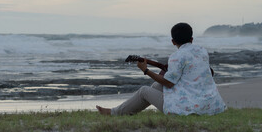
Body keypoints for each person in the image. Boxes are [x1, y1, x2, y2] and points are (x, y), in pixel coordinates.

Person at [96, 22, 226, 116]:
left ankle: (113, 113)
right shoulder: (202, 51)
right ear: (192, 39)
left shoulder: (177, 56)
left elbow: (169, 83)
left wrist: (146, 71)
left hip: (190, 108)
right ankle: (128, 111)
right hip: (212, 105)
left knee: (144, 91)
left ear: (173, 41)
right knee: (156, 86)